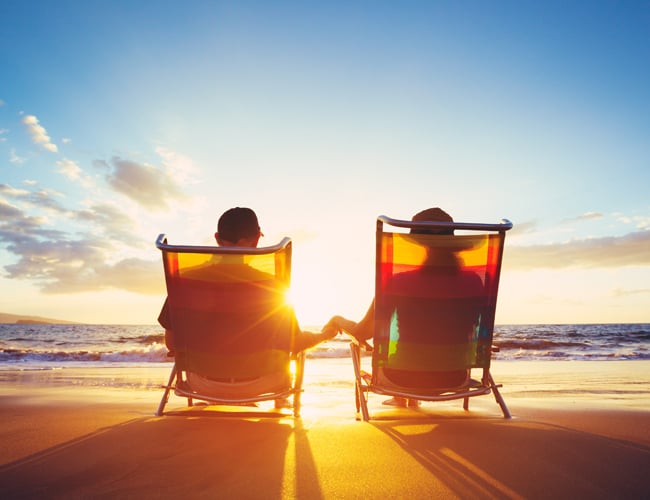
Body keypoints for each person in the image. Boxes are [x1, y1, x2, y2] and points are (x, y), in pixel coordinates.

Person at [158, 207, 339, 407]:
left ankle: (220, 398)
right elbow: (295, 343)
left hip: (201, 384)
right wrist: (324, 335)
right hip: (262, 384)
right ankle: (274, 401)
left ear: (217, 238)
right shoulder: (273, 287)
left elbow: (172, 343)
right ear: (256, 239)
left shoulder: (186, 282)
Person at [327, 207, 483, 408]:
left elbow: (363, 332)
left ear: (419, 245)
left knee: (405, 354)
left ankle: (404, 396)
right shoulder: (473, 282)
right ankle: (408, 398)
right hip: (454, 377)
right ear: (452, 243)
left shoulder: (399, 282)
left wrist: (337, 320)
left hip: (400, 378)